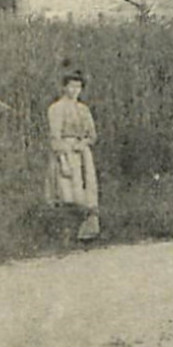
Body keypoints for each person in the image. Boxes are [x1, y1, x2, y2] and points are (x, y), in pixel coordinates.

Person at [46, 71, 100, 242]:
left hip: (82, 154)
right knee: (66, 193)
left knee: (87, 192)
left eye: (78, 86)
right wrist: (63, 161)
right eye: (71, 86)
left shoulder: (83, 109)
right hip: (65, 153)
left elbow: (92, 135)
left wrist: (83, 144)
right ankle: (65, 235)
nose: (75, 90)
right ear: (64, 87)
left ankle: (87, 234)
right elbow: (55, 137)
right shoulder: (56, 108)